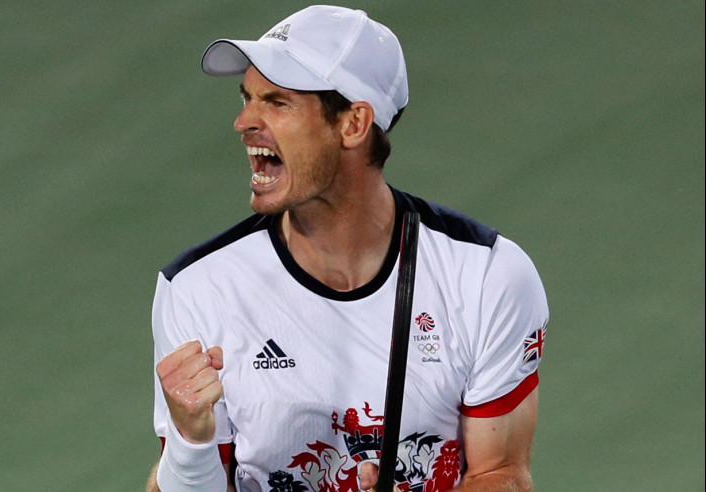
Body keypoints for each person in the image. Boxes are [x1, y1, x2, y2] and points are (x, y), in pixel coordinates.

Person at [146, 5, 549, 492]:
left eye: (277, 102)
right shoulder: (197, 289)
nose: (243, 121)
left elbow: (502, 474)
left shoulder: (487, 276)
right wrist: (191, 446)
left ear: (354, 124)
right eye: (247, 98)